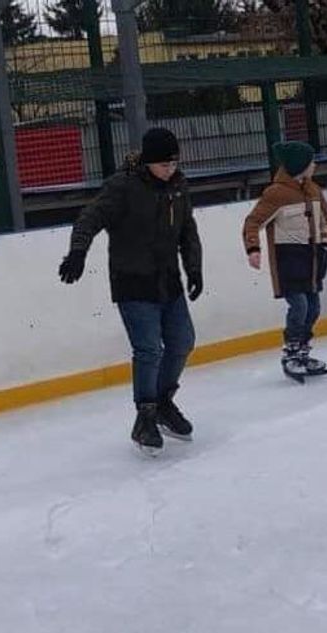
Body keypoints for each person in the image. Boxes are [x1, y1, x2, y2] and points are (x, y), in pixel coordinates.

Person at [58, 127, 202, 456]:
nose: (171, 170)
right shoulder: (123, 187)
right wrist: (78, 252)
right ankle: (146, 416)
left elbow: (187, 230)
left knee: (182, 342)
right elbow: (89, 218)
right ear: (149, 163)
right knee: (149, 349)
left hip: (168, 281)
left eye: (175, 163)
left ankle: (164, 400)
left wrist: (194, 268)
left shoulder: (178, 186)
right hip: (133, 282)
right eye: (165, 164)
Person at [243, 141, 327, 384]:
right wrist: (253, 248)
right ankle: (292, 350)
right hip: (289, 261)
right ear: (300, 166)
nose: (314, 165)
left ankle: (303, 350)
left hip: (314, 260)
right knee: (299, 306)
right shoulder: (276, 194)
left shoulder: (314, 190)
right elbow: (253, 222)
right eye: (310, 162)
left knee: (314, 307)